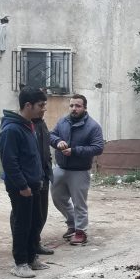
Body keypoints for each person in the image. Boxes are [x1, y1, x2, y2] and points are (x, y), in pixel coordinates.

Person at [0, 87, 50, 278]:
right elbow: (9, 162)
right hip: (22, 188)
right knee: (22, 224)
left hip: (34, 184)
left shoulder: (29, 125)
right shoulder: (12, 129)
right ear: (28, 105)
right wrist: (23, 186)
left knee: (35, 221)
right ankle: (20, 263)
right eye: (41, 105)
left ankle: (31, 258)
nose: (44, 109)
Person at [49, 94, 104, 245]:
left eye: (78, 106)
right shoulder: (63, 121)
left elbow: (98, 148)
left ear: (85, 108)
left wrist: (75, 151)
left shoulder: (93, 126)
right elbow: (51, 135)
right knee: (57, 198)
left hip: (80, 171)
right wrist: (58, 141)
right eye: (72, 105)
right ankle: (72, 223)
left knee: (79, 202)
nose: (74, 108)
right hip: (60, 167)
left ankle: (80, 232)